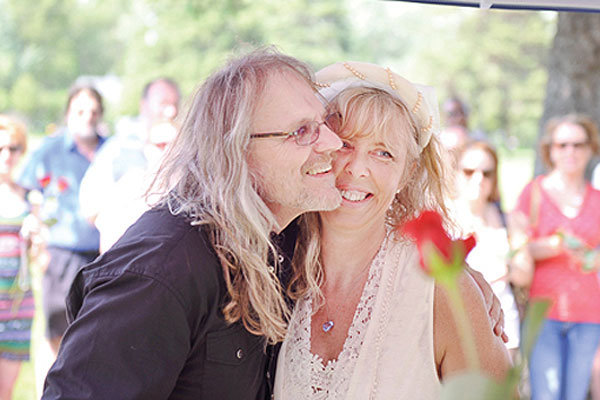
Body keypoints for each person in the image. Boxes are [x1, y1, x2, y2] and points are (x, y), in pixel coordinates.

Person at [42, 48, 505, 400]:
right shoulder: (172, 267)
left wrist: (462, 283)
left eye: (383, 153)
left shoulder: (284, 249)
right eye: (306, 132)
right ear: (239, 148)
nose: (334, 150)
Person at [274, 62, 511, 399]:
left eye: (382, 153)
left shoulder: (442, 289)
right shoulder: (276, 266)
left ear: (407, 174)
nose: (357, 168)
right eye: (345, 144)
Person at [510, 114, 600, 400]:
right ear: (550, 150)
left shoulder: (597, 200)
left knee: (575, 395)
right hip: (542, 313)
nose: (570, 152)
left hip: (589, 315)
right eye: (562, 145)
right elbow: (518, 249)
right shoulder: (533, 193)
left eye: (578, 144)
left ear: (590, 149)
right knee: (545, 395)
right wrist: (555, 245)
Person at [17, 85, 106, 357]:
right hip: (60, 257)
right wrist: (37, 245)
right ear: (68, 113)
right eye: (80, 110)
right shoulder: (49, 151)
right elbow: (25, 193)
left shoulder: (112, 151)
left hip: (105, 256)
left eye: (93, 111)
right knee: (58, 336)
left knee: (100, 335)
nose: (87, 116)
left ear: (101, 114)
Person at [79, 77, 180, 247]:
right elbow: (90, 205)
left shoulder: (188, 153)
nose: (171, 111)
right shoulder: (118, 150)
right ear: (144, 106)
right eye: (163, 103)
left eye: (175, 104)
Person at [451, 140, 521, 360]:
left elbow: (523, 273)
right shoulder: (444, 218)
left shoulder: (508, 219)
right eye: (469, 171)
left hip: (504, 328)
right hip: (456, 328)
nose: (478, 179)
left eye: (487, 172)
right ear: (456, 173)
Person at [0, 115, 35, 400]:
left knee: (5, 390)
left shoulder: (30, 198)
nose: (6, 155)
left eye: (13, 148)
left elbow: (40, 260)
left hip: (17, 305)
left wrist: (35, 237)